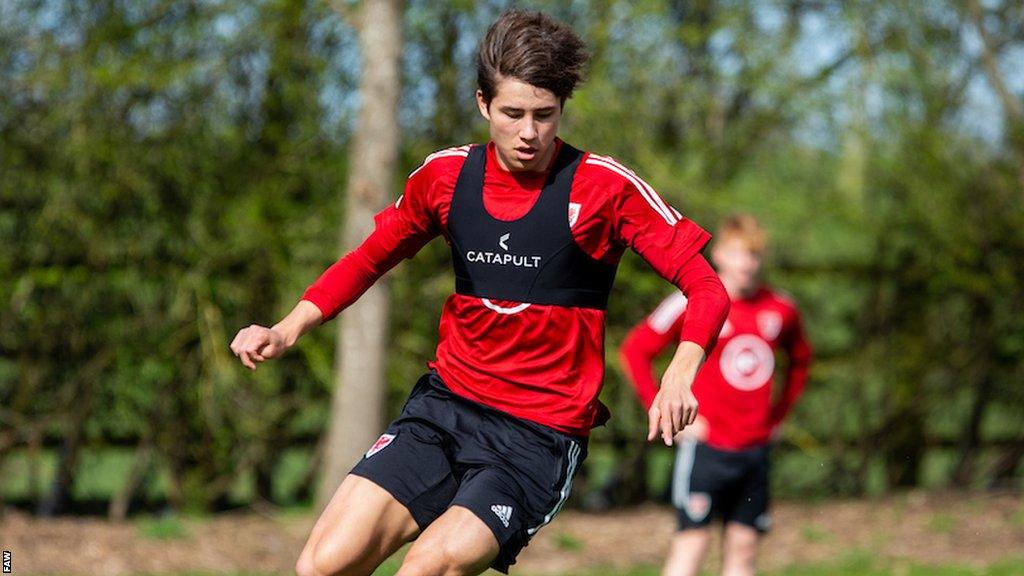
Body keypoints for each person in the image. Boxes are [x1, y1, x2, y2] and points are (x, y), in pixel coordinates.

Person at [230, 10, 729, 576]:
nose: (529, 132)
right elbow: (370, 258)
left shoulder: (605, 188)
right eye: (513, 113)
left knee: (426, 569)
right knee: (321, 565)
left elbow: (706, 286)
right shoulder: (446, 177)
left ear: (562, 109)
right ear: (482, 104)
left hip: (537, 435)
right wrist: (286, 326)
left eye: (545, 115)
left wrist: (682, 368)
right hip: (445, 408)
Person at [620, 214, 812, 576]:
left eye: (755, 255)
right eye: (740, 254)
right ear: (720, 254)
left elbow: (801, 360)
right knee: (692, 543)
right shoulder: (692, 300)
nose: (747, 264)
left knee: (743, 547)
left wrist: (779, 416)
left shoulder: (781, 308)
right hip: (706, 447)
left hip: (754, 449)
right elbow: (635, 350)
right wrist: (659, 406)